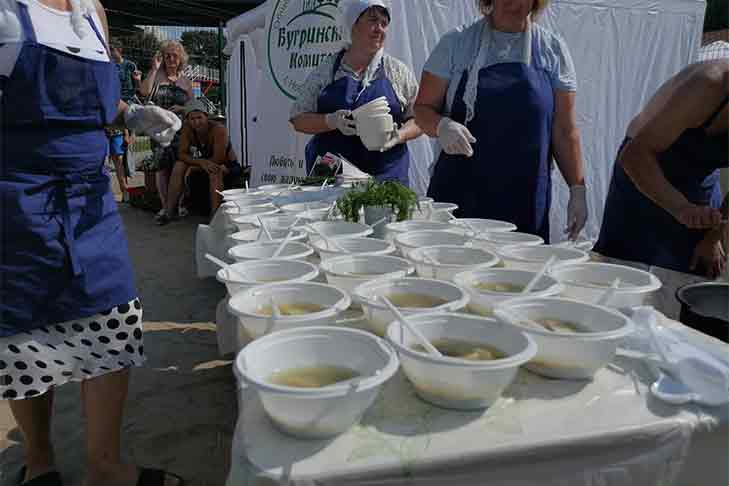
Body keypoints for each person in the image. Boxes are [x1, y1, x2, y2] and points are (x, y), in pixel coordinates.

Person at [0, 0, 182, 484]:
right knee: (25, 327)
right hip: (17, 194)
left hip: (91, 195)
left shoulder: (93, 11)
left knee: (113, 312)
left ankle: (105, 465)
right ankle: (39, 464)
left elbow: (97, 100)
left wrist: (134, 114)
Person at [415, 0, 587, 242]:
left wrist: (577, 189)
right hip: (459, 194)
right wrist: (442, 125)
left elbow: (564, 131)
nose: (513, 2)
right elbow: (422, 109)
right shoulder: (456, 43)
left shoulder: (552, 50)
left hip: (524, 200)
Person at [594, 60, 728, 282]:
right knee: (625, 279)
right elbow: (633, 155)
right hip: (643, 173)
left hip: (700, 184)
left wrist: (715, 235)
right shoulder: (708, 84)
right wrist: (681, 207)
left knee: (691, 280)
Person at [289, 0, 422, 186]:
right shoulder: (327, 71)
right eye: (373, 21)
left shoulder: (397, 72)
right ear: (353, 24)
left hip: (386, 179)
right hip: (333, 177)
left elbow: (420, 119)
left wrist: (399, 135)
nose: (379, 29)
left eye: (384, 24)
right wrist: (330, 121)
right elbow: (298, 119)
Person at [160, 99, 241, 224]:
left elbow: (217, 159)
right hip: (205, 162)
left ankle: (214, 218)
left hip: (227, 165)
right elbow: (181, 154)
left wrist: (195, 166)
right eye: (192, 119)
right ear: (188, 120)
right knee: (179, 165)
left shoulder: (218, 129)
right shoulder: (188, 129)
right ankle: (169, 211)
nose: (196, 122)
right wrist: (200, 163)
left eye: (199, 117)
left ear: (206, 117)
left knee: (215, 171)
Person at [138, 40, 193, 223]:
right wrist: (154, 69)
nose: (171, 59)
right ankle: (165, 207)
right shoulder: (156, 76)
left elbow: (193, 106)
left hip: (180, 130)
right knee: (162, 169)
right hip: (159, 130)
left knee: (180, 167)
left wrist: (183, 108)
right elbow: (144, 92)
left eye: (174, 55)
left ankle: (178, 204)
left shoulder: (185, 81)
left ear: (181, 59)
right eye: (167, 55)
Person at [108, 39, 141, 202]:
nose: (110, 53)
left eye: (112, 50)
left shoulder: (129, 65)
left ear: (119, 50)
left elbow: (138, 87)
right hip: (109, 108)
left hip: (125, 107)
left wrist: (137, 80)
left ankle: (125, 190)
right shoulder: (106, 65)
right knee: (114, 157)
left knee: (119, 156)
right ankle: (118, 191)